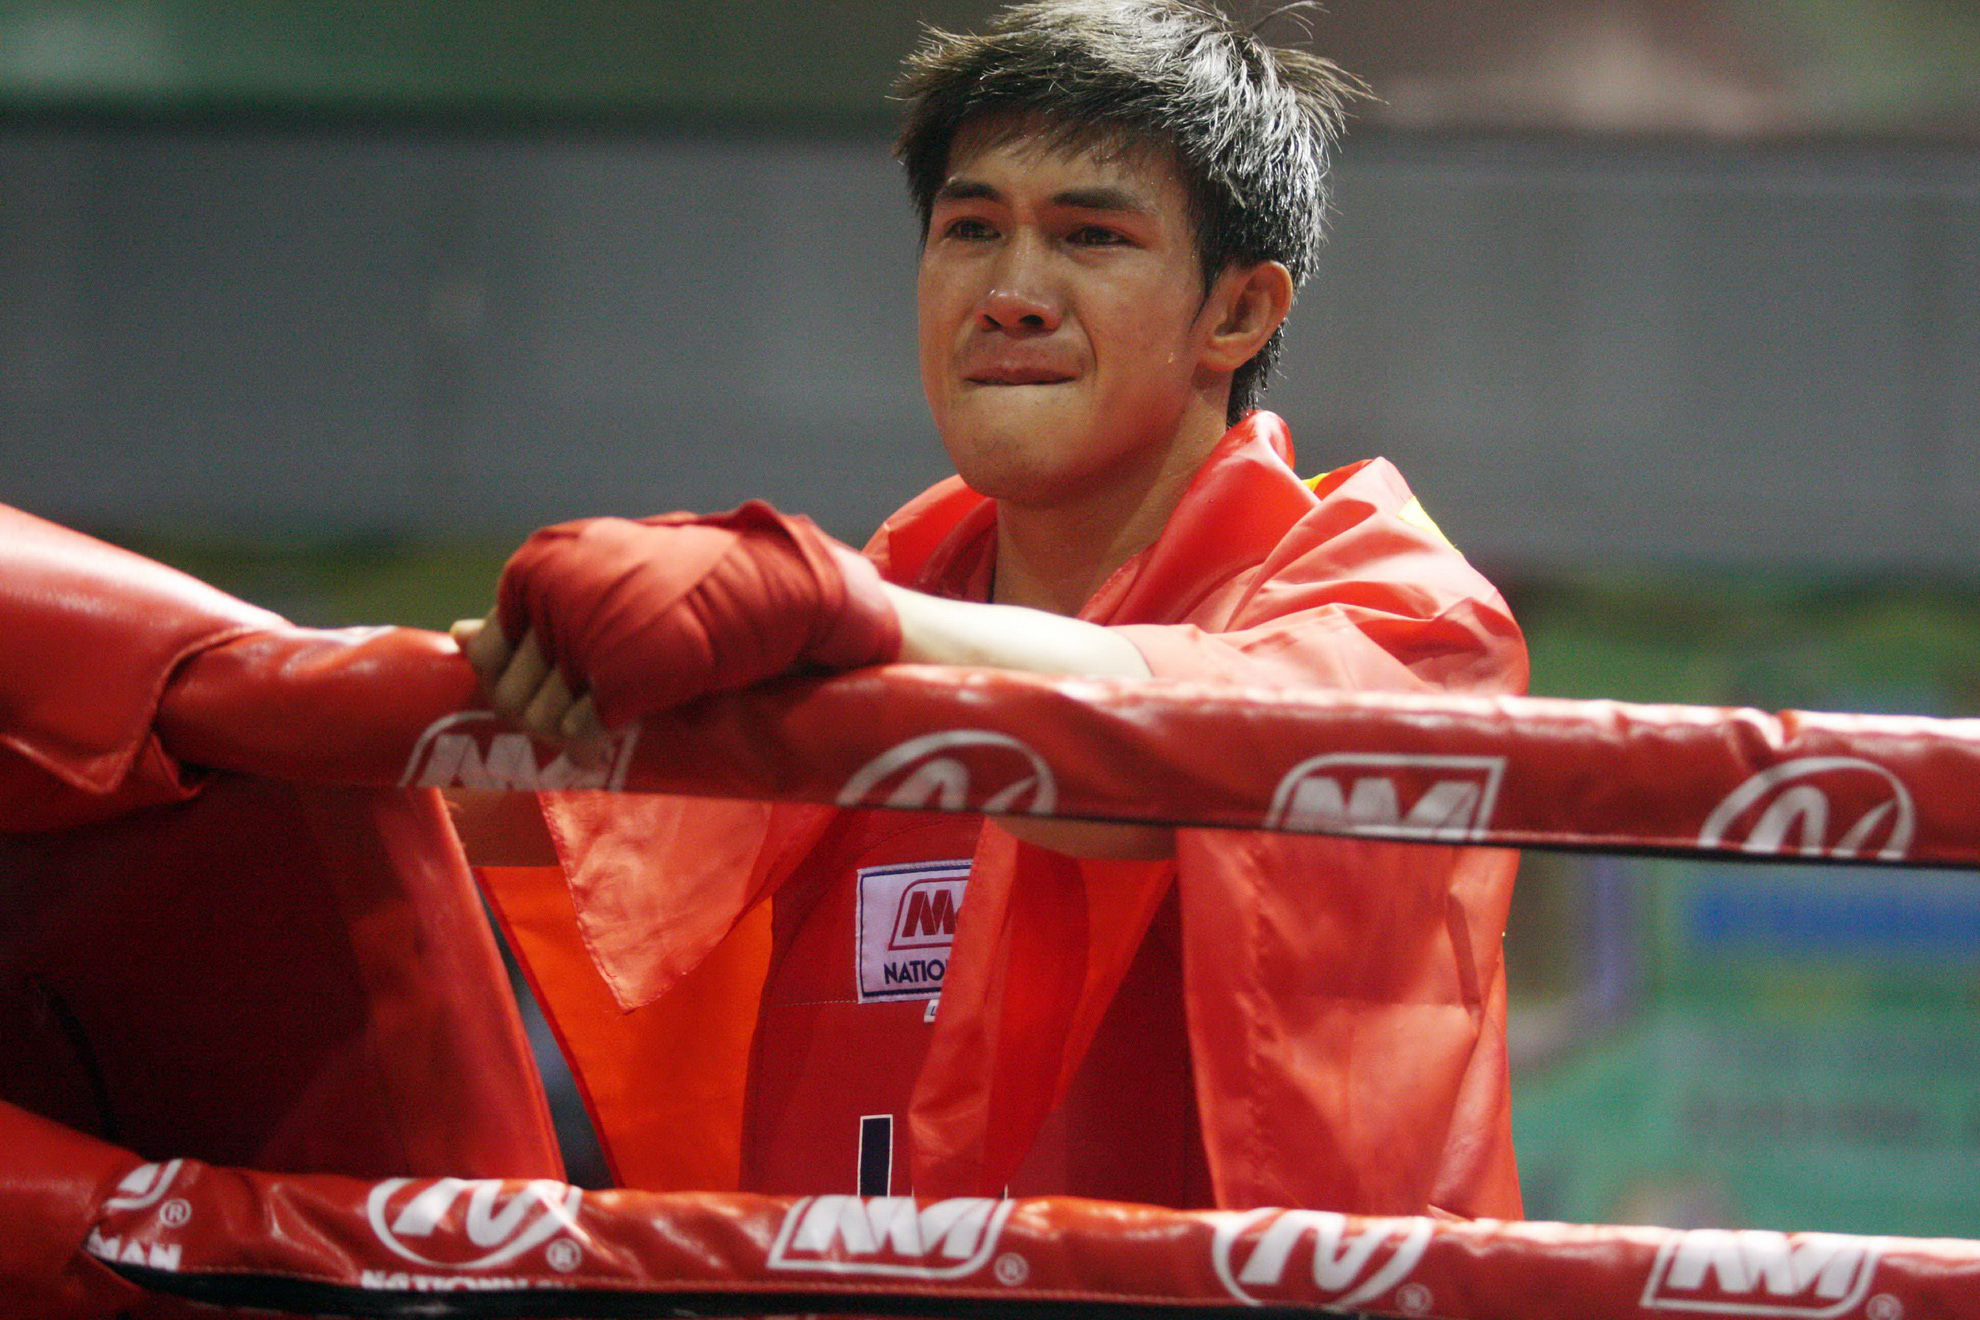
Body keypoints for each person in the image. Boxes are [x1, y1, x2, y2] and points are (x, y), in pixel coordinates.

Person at [455, 0, 1528, 1217]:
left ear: (1234, 314)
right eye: (972, 227)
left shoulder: (1401, 610)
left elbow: (1190, 750)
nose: (1012, 292)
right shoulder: (862, 613)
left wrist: (857, 627)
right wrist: (233, 672)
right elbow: (458, 809)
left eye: (1091, 236)